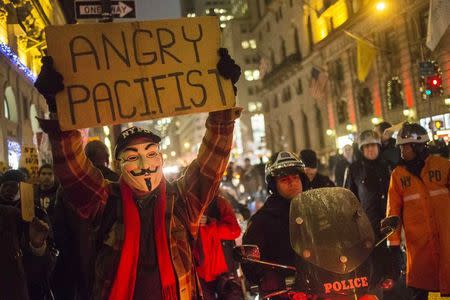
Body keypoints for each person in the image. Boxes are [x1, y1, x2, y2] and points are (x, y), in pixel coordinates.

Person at [34, 48, 241, 299]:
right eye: (133, 157)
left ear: (161, 158)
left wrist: (224, 102)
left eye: (151, 153)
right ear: (119, 164)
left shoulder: (183, 200)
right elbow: (73, 171)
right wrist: (60, 109)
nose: (145, 163)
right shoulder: (105, 200)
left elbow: (213, 160)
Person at [383, 122, 450, 299]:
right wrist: (394, 244)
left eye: (405, 146)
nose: (402, 151)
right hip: (419, 247)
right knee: (420, 290)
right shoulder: (398, 175)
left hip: (446, 241)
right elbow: (393, 211)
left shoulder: (443, 166)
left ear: (418, 146)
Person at [242, 151, 303, 296]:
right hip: (286, 292)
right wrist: (267, 276)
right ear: (274, 186)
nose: (292, 183)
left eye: (296, 177)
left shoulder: (316, 209)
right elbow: (250, 261)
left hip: (323, 287)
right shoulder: (263, 219)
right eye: (284, 180)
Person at [0, 170, 57, 300]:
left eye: (14, 186)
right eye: (5, 186)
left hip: (32, 286)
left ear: (23, 189)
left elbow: (50, 257)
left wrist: (38, 246)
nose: (9, 190)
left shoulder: (35, 212)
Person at [194, 194, 242, 299]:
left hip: (224, 274)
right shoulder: (186, 205)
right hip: (200, 276)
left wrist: (211, 224)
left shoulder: (219, 203)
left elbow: (235, 230)